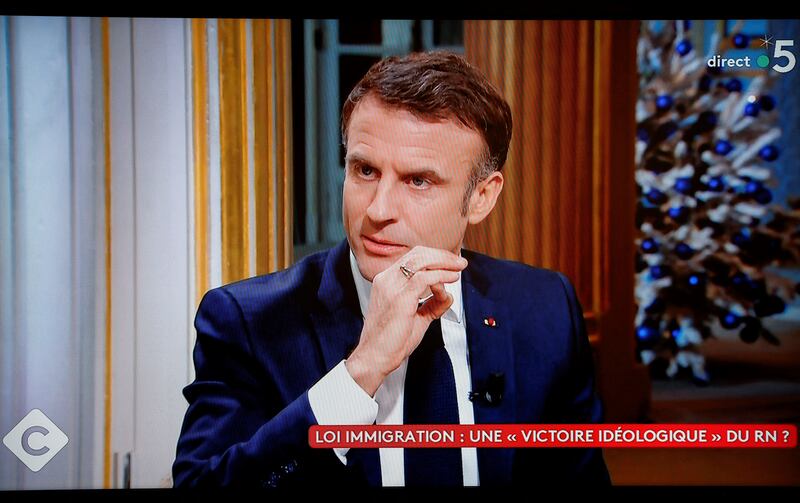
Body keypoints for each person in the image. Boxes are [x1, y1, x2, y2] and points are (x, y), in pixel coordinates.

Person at [172, 51, 610, 487]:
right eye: (364, 170)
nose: (378, 210)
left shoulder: (545, 308)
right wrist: (362, 369)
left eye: (418, 180)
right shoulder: (247, 320)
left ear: (481, 197)